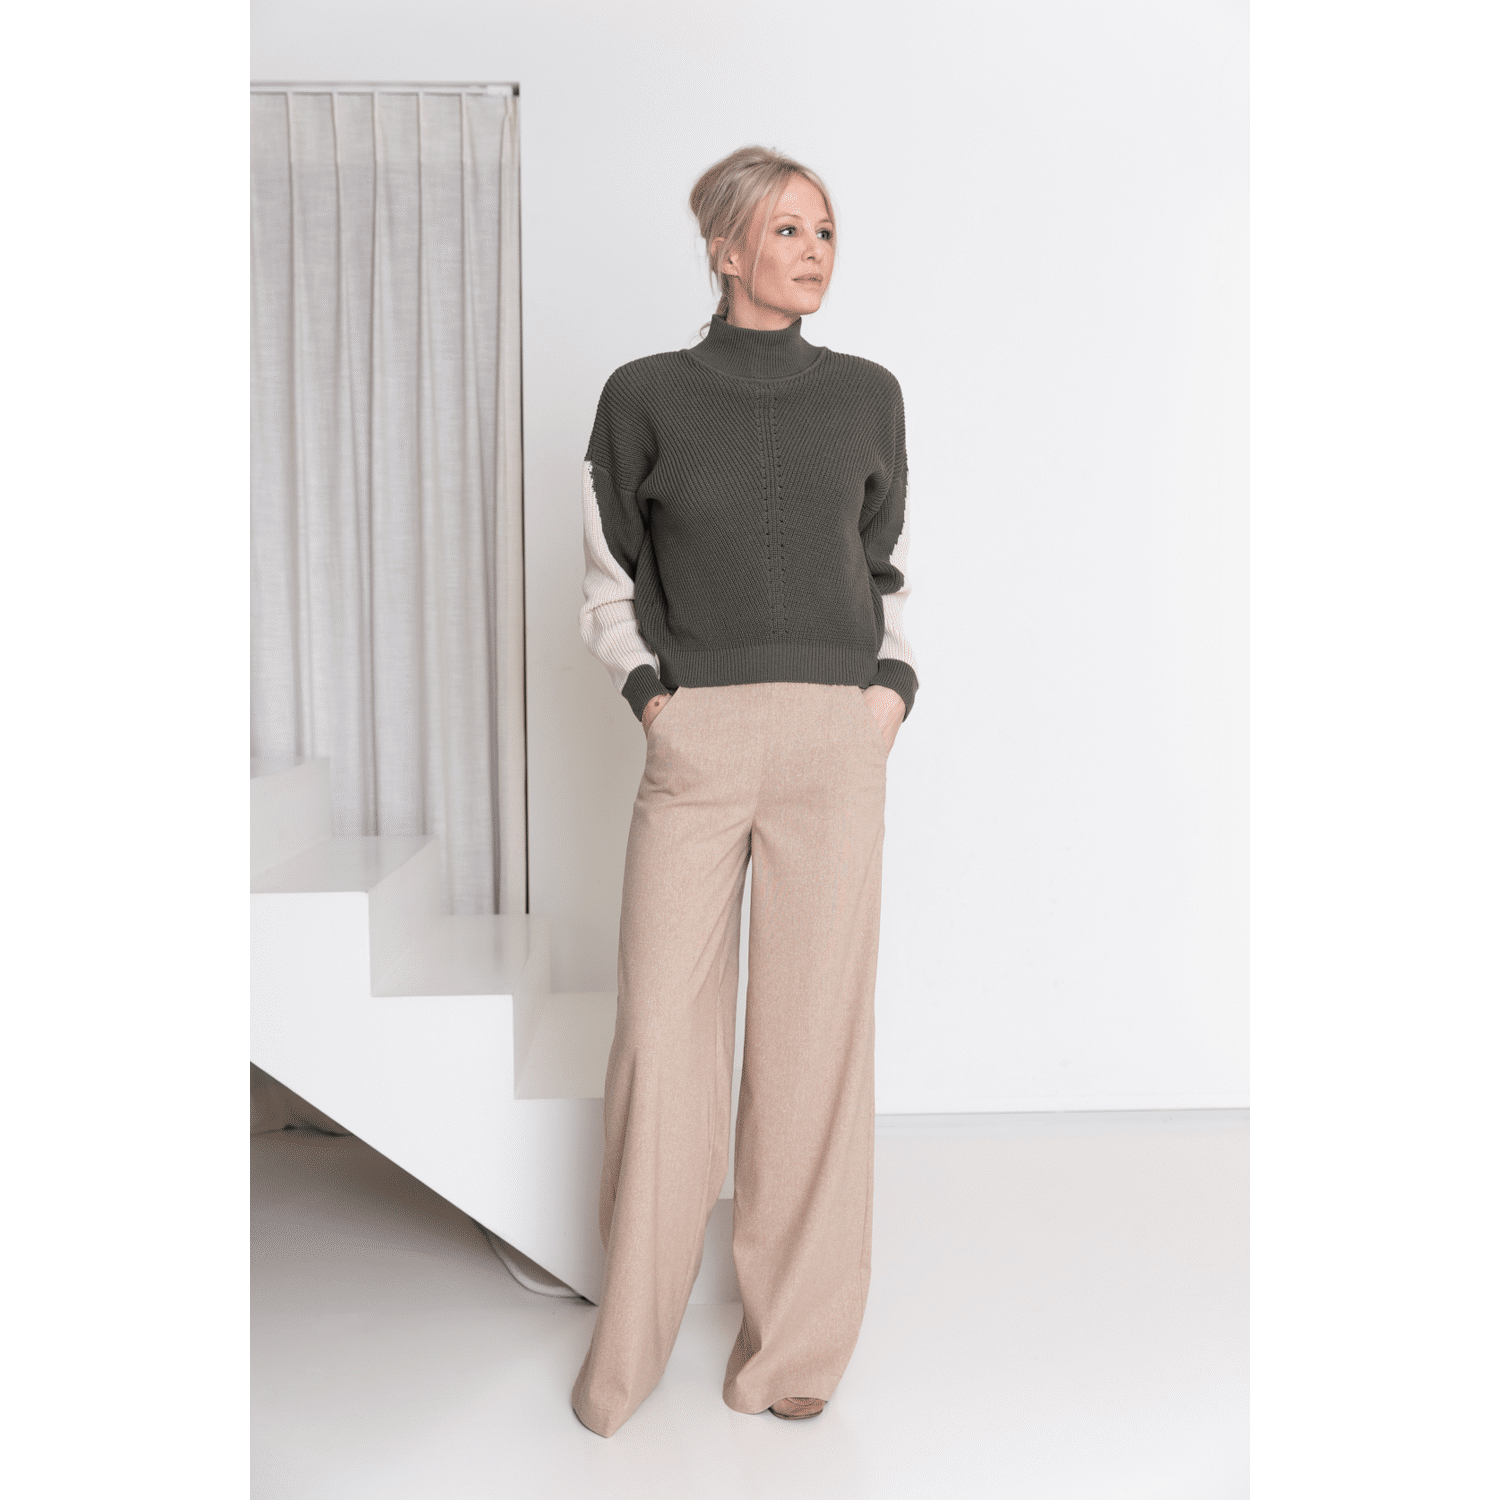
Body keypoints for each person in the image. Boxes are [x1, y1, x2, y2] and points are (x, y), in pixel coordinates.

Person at [571, 145, 918, 1436]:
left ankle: (793, 1355)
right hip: (700, 739)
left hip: (837, 733)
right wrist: (654, 700)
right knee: (662, 1036)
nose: (815, 250)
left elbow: (885, 568)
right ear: (725, 249)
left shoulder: (869, 395)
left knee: (814, 1044)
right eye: (786, 229)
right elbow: (608, 578)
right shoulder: (644, 396)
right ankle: (629, 1349)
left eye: (825, 229)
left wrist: (889, 692)